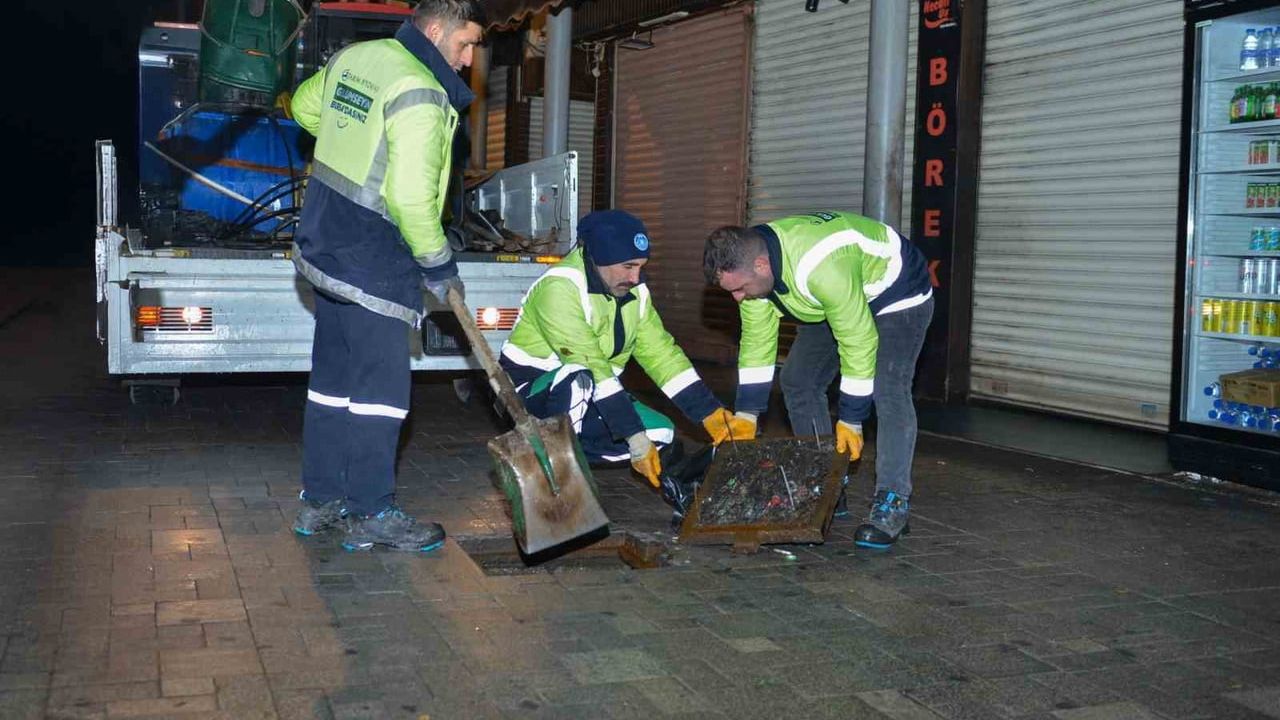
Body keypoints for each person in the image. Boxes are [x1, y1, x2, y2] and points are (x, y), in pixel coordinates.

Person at [287, 0, 485, 552]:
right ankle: (371, 511)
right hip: (374, 258)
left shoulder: (359, 56)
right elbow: (411, 201)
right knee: (382, 394)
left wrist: (352, 136)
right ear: (438, 28)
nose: (469, 60)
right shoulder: (422, 93)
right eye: (465, 43)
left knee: (332, 384)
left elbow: (305, 108)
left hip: (325, 244)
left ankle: (319, 502)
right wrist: (441, 266)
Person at [702, 211, 933, 549]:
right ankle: (827, 483)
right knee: (798, 379)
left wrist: (852, 418)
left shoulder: (821, 267)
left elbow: (858, 339)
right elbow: (756, 343)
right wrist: (747, 415)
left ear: (762, 266)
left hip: (897, 293)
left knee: (888, 388)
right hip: (833, 300)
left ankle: (893, 501)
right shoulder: (752, 278)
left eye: (739, 289)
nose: (737, 298)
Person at [500, 209, 754, 488]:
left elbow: (662, 355)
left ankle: (568, 455)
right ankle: (555, 480)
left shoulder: (634, 293)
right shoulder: (560, 288)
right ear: (599, 257)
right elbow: (593, 366)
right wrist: (632, 436)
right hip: (531, 393)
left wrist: (711, 415)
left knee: (661, 434)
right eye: (628, 266)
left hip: (593, 391)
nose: (635, 277)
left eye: (641, 267)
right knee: (581, 375)